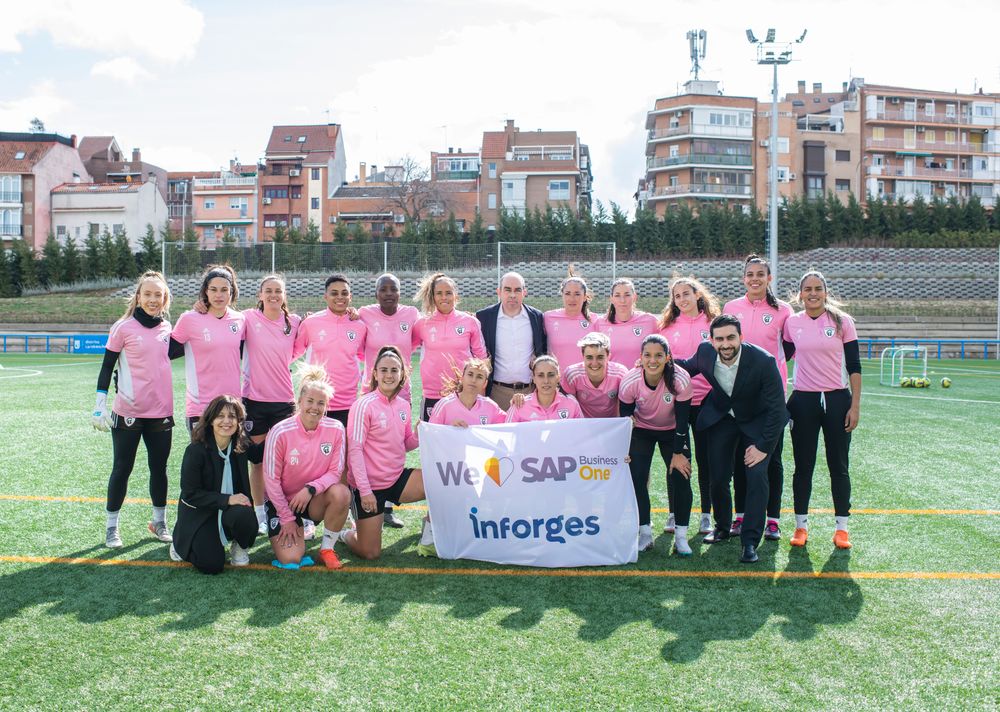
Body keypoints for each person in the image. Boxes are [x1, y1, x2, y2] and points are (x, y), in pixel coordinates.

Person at [675, 315, 788, 564]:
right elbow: (684, 366)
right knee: (717, 477)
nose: (725, 344)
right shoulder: (705, 353)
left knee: (757, 475)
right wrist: (656, 361)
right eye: (719, 339)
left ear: (741, 338)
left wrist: (762, 447)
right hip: (722, 418)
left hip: (756, 421)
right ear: (712, 341)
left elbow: (778, 409)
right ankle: (723, 526)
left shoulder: (763, 361)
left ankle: (750, 541)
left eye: (730, 338)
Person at [93, 271, 176, 548]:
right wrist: (99, 404)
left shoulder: (168, 328)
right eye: (148, 294)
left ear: (165, 300)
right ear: (138, 297)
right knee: (122, 468)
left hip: (161, 412)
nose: (153, 299)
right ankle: (111, 527)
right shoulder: (123, 327)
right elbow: (107, 366)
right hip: (128, 411)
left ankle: (159, 522)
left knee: (159, 468)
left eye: (158, 295)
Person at [782, 271, 861, 550]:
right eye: (807, 289)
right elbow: (781, 358)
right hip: (803, 401)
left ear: (825, 292)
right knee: (803, 466)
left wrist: (855, 405)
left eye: (818, 288)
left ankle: (842, 528)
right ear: (800, 294)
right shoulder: (792, 323)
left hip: (837, 401)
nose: (813, 293)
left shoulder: (842, 322)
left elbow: (854, 366)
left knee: (838, 466)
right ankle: (800, 526)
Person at [723, 254, 794, 541]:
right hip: (738, 396)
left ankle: (772, 519)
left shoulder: (783, 311)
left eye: (760, 274)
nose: (755, 279)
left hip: (769, 398)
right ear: (744, 279)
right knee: (742, 457)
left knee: (772, 458)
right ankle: (740, 517)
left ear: (769, 278)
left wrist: (771, 373)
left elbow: (790, 348)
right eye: (750, 274)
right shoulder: (731, 308)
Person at [263, 364, 353, 570]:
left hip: (313, 499)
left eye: (321, 403)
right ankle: (296, 527)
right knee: (291, 558)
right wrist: (286, 517)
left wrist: (310, 489)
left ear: (327, 405)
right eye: (310, 401)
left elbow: (335, 472)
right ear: (300, 401)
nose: (315, 407)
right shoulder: (280, 432)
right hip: (283, 503)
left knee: (341, 493)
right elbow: (271, 481)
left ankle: (327, 549)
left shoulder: (336, 429)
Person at [342, 346, 427, 560]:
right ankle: (346, 534)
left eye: (394, 370)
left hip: (396, 479)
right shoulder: (364, 404)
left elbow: (404, 444)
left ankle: (432, 536)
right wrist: (365, 490)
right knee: (370, 552)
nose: (389, 375)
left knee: (438, 482)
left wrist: (417, 434)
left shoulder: (403, 405)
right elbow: (355, 450)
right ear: (375, 373)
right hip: (369, 487)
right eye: (384, 370)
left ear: (402, 375)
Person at [618, 334, 693, 554]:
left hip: (673, 432)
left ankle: (681, 536)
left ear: (668, 357)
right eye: (648, 355)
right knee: (637, 478)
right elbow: (626, 418)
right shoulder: (631, 381)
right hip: (642, 431)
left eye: (659, 355)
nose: (653, 360)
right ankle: (645, 534)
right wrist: (626, 447)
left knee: (681, 477)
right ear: (640, 357)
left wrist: (679, 453)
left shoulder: (680, 379)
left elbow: (683, 420)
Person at [357, 273, 420, 528]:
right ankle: (363, 498)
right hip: (372, 392)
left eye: (393, 289)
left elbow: (414, 342)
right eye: (383, 289)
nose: (389, 293)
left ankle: (388, 506)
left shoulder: (411, 314)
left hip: (402, 393)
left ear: (400, 292)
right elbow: (359, 346)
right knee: (368, 446)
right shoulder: (364, 313)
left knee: (396, 446)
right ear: (376, 294)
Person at [169, 395, 259, 574]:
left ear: (238, 421)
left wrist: (290, 428)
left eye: (232, 416)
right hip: (201, 513)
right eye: (220, 416)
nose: (227, 421)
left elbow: (261, 454)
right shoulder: (196, 451)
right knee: (212, 565)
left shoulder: (240, 443)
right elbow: (190, 494)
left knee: (246, 515)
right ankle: (180, 543)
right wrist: (227, 499)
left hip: (229, 511)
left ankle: (239, 546)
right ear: (210, 420)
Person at [659, 276, 721, 536]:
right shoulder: (665, 327)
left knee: (707, 461)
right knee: (678, 459)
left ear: (698, 294)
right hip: (678, 403)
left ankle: (706, 515)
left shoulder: (713, 323)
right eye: (677, 296)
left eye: (686, 293)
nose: (682, 299)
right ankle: (674, 513)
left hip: (709, 401)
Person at [241, 275, 302, 535]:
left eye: (278, 291)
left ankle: (290, 512)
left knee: (286, 463)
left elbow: (296, 351)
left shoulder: (295, 322)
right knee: (256, 462)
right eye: (269, 290)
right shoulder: (247, 319)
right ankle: (259, 514)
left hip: (284, 402)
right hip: (254, 401)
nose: (274, 295)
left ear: (284, 295)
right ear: (260, 294)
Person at [170, 264, 246, 431]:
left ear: (231, 292)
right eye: (213, 289)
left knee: (231, 457)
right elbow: (164, 353)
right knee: (201, 457)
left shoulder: (240, 319)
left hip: (232, 405)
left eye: (224, 290)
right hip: (200, 407)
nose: (219, 295)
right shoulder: (190, 319)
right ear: (205, 291)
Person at [293, 274, 367, 428]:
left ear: (350, 297)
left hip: (348, 403)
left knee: (345, 449)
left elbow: (364, 356)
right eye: (334, 293)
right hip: (317, 402)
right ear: (325, 296)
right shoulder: (311, 323)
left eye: (344, 293)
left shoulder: (359, 325)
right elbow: (294, 352)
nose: (340, 297)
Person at [412, 272, 487, 421]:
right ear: (433, 297)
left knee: (463, 439)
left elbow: (482, 359)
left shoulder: (470, 322)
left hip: (462, 392)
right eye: (439, 293)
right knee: (432, 439)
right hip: (432, 394)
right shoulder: (422, 324)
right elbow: (406, 348)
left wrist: (480, 391)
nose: (444, 297)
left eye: (448, 293)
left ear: (456, 296)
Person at [475, 271, 547, 410]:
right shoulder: (484, 317)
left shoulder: (537, 317)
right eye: (507, 290)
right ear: (499, 292)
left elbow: (542, 350)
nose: (512, 295)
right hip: (496, 392)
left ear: (524, 292)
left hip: (530, 392)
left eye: (517, 290)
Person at [560, 332, 629, 419]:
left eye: (600, 357)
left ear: (608, 356)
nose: (594, 363)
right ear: (582, 356)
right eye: (589, 357)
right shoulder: (572, 375)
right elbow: (569, 408)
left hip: (612, 425)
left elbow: (624, 408)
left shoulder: (620, 374)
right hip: (583, 424)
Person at [594, 278, 658, 369]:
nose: (622, 300)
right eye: (617, 295)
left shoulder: (650, 321)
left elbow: (662, 351)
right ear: (611, 299)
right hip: (612, 381)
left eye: (627, 295)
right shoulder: (600, 323)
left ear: (635, 297)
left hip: (640, 381)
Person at [542, 269, 595, 375]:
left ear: (585, 296)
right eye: (567, 293)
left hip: (585, 384)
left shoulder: (596, 320)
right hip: (556, 384)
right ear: (562, 295)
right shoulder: (548, 318)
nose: (572, 298)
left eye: (577, 294)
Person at [429, 358, 507, 427]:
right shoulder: (444, 405)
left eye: (479, 377)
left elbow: (509, 426)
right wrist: (449, 429)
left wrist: (515, 403)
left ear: (485, 384)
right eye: (470, 374)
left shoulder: (490, 406)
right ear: (462, 378)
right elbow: (430, 434)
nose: (473, 380)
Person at [505, 355, 583, 423]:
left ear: (558, 377)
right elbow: (507, 435)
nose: (546, 381)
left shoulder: (572, 403)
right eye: (540, 375)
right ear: (533, 378)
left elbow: (581, 434)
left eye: (551, 375)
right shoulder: (519, 405)